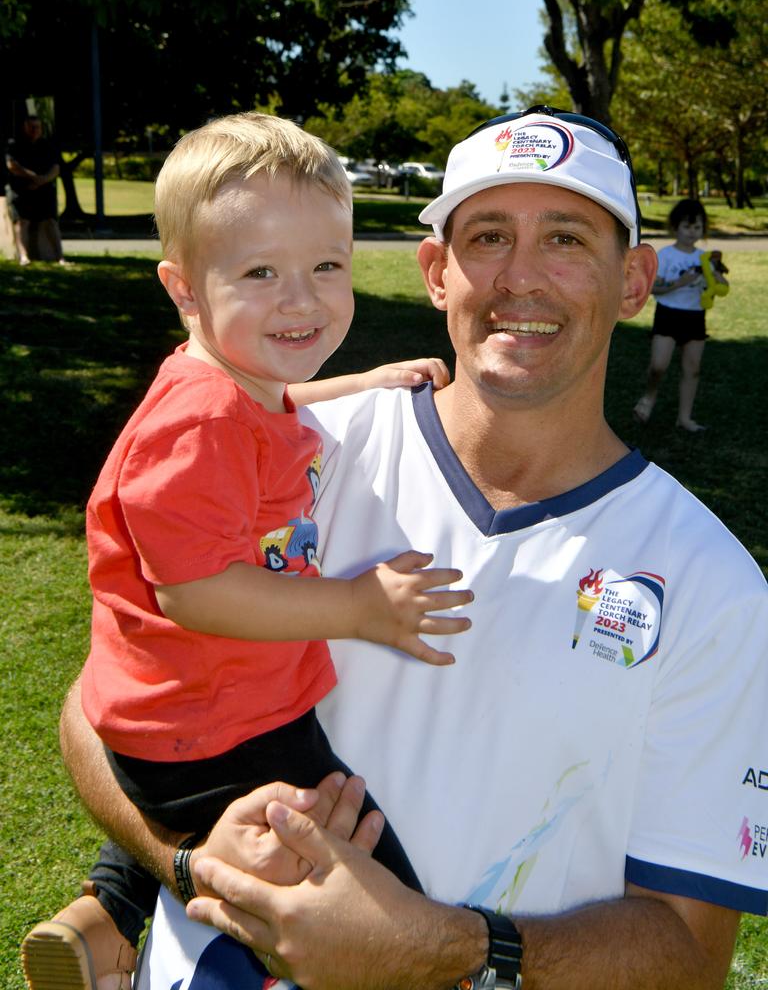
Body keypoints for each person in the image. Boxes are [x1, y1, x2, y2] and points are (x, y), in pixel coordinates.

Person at [57, 106, 767, 990]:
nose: (521, 278)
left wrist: (446, 949)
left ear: (634, 281)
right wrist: (193, 869)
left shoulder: (713, 586)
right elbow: (98, 709)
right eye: (487, 236)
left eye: (566, 240)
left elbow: (690, 953)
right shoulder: (285, 442)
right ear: (436, 271)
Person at [20, 111, 475, 990]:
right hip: (214, 729)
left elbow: (275, 398)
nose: (301, 299)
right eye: (260, 271)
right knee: (374, 891)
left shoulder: (231, 385)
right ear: (185, 289)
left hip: (193, 707)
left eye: (326, 267)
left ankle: (108, 925)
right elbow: (195, 592)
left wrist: (365, 381)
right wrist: (361, 607)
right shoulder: (193, 426)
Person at [632, 198, 728, 432]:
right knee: (658, 365)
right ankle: (649, 397)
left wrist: (716, 277)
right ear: (676, 228)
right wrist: (679, 283)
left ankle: (684, 418)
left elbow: (722, 285)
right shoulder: (665, 256)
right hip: (668, 315)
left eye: (697, 227)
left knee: (692, 368)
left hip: (695, 317)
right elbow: (654, 288)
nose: (691, 232)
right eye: (687, 226)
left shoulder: (704, 258)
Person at [5, 115, 66, 265]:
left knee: (51, 222)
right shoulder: (14, 145)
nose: (35, 130)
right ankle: (24, 257)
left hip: (44, 191)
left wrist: (42, 180)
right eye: (31, 127)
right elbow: (12, 165)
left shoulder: (47, 145)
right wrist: (32, 176)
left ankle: (60, 257)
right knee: (21, 222)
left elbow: (56, 168)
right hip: (21, 191)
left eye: (37, 127)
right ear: (25, 128)